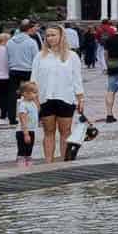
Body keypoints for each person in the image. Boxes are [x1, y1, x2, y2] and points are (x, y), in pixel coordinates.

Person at [33, 23, 87, 164]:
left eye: (53, 35)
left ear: (61, 36)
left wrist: (81, 98)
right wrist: (34, 99)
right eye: (48, 36)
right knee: (48, 132)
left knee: (65, 132)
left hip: (66, 98)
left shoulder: (72, 56)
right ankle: (48, 162)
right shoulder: (40, 56)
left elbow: (77, 79)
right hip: (46, 99)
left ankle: (65, 161)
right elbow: (34, 79)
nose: (50, 38)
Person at [8, 17, 40, 118]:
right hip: (28, 70)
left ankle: (12, 117)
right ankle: (33, 114)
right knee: (32, 92)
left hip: (14, 70)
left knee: (13, 94)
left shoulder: (10, 42)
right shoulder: (31, 42)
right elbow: (36, 58)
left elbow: (7, 57)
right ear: (29, 29)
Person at [0, 31, 15, 125]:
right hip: (6, 76)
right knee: (9, 97)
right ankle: (7, 116)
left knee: (2, 96)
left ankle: (3, 116)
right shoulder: (6, 50)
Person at [14, 80, 40, 169]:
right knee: (22, 150)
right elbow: (23, 121)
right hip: (23, 131)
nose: (36, 95)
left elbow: (38, 110)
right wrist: (26, 134)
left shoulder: (32, 103)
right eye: (34, 93)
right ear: (25, 93)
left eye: (36, 92)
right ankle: (21, 167)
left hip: (31, 130)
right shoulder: (23, 105)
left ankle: (28, 166)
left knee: (29, 150)